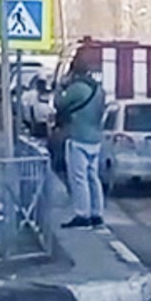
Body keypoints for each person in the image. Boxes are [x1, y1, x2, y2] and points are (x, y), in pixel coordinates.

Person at [54, 64, 109, 229]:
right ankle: (97, 213)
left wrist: (59, 89)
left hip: (78, 137)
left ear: (74, 74)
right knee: (93, 177)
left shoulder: (77, 88)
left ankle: (82, 214)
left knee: (79, 177)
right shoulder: (99, 90)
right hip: (95, 138)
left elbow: (59, 104)